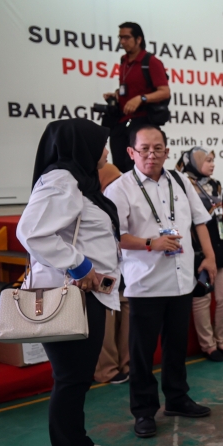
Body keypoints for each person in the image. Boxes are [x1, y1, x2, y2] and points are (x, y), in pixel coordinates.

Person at [17, 118, 123, 446]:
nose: (105, 151)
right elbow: (30, 232)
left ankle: (75, 445)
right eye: (101, 144)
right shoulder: (61, 178)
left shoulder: (76, 180)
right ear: (81, 145)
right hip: (71, 295)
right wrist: (80, 265)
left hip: (86, 295)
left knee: (76, 379)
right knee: (70, 379)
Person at [104, 125, 218, 438]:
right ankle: (143, 411)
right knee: (141, 352)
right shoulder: (120, 189)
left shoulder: (180, 181)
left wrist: (209, 257)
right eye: (144, 149)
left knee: (176, 346)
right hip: (145, 284)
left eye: (158, 148)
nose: (151, 155)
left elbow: (201, 221)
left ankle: (177, 398)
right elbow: (115, 235)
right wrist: (150, 243)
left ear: (167, 151)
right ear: (131, 152)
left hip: (182, 279)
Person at [177, 148, 223, 362]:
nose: (212, 164)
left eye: (213, 160)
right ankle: (208, 346)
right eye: (208, 161)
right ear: (194, 162)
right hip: (198, 250)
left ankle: (222, 341)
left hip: (221, 246)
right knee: (202, 298)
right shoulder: (184, 184)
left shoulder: (217, 185)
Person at [101, 22, 170, 172]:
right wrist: (117, 95)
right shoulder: (124, 61)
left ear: (138, 39)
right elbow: (131, 87)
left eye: (126, 37)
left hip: (142, 120)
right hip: (122, 122)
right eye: (120, 37)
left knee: (135, 166)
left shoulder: (151, 62)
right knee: (119, 165)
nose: (122, 41)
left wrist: (141, 98)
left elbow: (165, 91)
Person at [93, 162, 130, 385]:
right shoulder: (94, 205)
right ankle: (106, 370)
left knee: (126, 313)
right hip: (104, 270)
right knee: (107, 316)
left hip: (125, 267)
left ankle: (125, 365)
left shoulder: (118, 198)